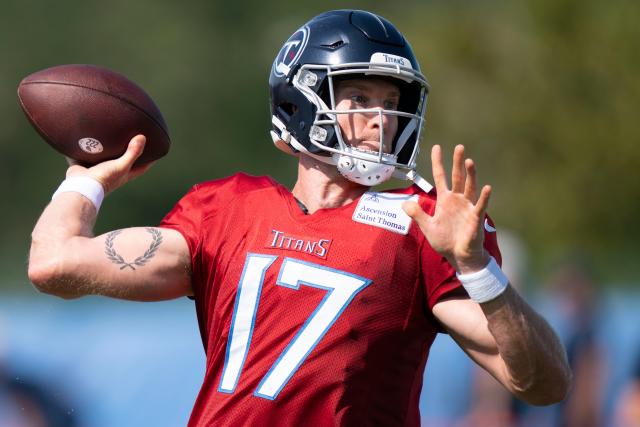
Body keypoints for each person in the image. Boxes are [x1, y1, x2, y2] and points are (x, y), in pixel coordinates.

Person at [27, 10, 571, 426]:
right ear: (298, 102)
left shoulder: (422, 223)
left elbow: (544, 384)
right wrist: (88, 178)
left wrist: (478, 268)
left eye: (391, 101)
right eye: (359, 97)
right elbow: (53, 264)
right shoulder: (226, 211)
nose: (381, 120)